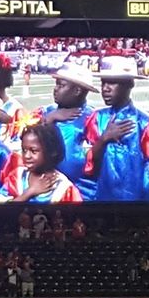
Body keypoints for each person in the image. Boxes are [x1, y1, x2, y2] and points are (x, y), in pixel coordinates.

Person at [84, 57, 149, 201]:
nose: (105, 88)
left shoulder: (146, 124)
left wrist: (143, 171)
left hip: (137, 202)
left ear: (129, 84)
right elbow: (88, 164)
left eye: (113, 82)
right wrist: (104, 139)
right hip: (102, 199)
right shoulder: (96, 118)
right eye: (103, 82)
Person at [33, 63, 99, 200]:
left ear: (77, 91)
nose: (55, 89)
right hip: (46, 187)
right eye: (56, 84)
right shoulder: (44, 112)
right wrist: (50, 119)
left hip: (81, 190)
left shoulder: (91, 118)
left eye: (61, 85)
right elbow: (28, 142)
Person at [0, 122, 82, 203]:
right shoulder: (16, 177)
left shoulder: (64, 188)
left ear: (52, 152)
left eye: (33, 151)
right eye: (24, 150)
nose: (27, 156)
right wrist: (30, 192)